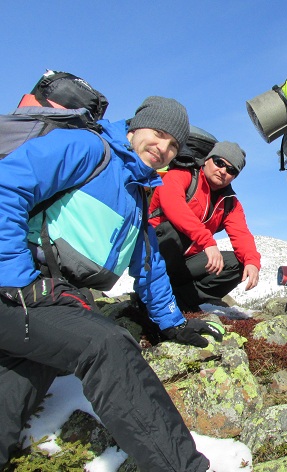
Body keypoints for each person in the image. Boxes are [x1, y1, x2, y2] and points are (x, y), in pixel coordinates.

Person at [0, 96, 216, 471]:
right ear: (135, 127)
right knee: (107, 345)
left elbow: (148, 263)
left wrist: (173, 323)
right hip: (19, 287)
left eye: (173, 145)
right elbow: (6, 186)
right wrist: (17, 278)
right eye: (158, 133)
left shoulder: (138, 191)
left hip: (50, 298)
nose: (162, 148)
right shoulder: (88, 148)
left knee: (23, 379)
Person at [149, 133, 261, 312]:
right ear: (207, 160)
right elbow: (174, 207)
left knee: (237, 264)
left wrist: (252, 261)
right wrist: (207, 241)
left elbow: (241, 234)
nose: (223, 171)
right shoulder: (181, 175)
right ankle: (151, 293)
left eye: (231, 170)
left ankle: (179, 301)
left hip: (186, 262)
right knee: (173, 230)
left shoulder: (230, 203)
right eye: (219, 162)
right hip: (155, 252)